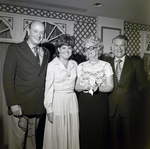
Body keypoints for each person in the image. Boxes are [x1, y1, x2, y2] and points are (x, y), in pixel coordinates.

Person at [3, 20, 50, 149]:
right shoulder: (15, 49)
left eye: (41, 32)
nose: (38, 35)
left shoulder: (46, 52)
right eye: (35, 31)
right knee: (17, 144)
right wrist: (13, 103)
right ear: (28, 31)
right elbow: (7, 78)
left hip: (37, 107)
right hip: (19, 107)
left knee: (32, 145)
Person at [108, 35, 148, 149]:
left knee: (130, 141)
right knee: (113, 141)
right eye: (116, 45)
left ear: (126, 46)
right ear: (112, 47)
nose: (119, 48)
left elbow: (143, 86)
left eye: (122, 45)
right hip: (112, 110)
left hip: (130, 109)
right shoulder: (107, 64)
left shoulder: (136, 63)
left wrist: (131, 97)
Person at [75, 36, 114, 149]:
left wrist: (98, 88)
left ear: (98, 49)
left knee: (99, 133)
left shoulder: (106, 65)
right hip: (84, 103)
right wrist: (83, 87)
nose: (89, 51)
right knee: (85, 132)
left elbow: (110, 87)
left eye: (91, 47)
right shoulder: (80, 66)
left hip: (99, 102)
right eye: (86, 48)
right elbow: (76, 86)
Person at [43, 34, 79, 149]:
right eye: (64, 48)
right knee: (58, 133)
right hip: (57, 100)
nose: (67, 51)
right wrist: (49, 109)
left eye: (69, 48)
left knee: (72, 131)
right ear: (58, 49)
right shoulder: (52, 65)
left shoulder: (74, 64)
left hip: (72, 100)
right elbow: (48, 88)